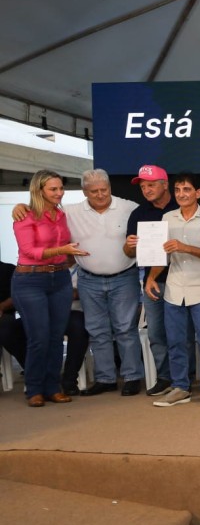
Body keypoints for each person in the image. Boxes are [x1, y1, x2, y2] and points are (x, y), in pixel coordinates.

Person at [64, 169, 145, 396]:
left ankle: (132, 377)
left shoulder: (129, 208)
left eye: (104, 189)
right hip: (88, 280)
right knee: (97, 330)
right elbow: (43, 212)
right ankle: (105, 379)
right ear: (84, 192)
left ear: (110, 187)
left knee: (125, 329)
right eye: (94, 191)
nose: (100, 195)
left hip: (124, 277)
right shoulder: (70, 212)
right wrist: (21, 207)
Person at [11, 170, 86, 406]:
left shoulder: (61, 215)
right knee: (39, 338)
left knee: (55, 337)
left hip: (60, 279)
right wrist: (63, 250)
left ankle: (53, 387)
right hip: (30, 280)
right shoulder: (25, 215)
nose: (59, 193)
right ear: (39, 190)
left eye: (61, 188)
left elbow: (66, 246)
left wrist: (70, 253)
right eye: (53, 189)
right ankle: (34, 389)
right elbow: (29, 251)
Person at [145, 173, 200, 409]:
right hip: (174, 288)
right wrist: (151, 277)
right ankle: (180, 388)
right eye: (177, 190)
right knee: (176, 342)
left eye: (186, 189)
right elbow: (162, 254)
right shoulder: (167, 218)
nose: (181, 194)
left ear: (198, 193)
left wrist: (185, 247)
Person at [123, 165, 178, 396]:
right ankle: (165, 377)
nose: (146, 189)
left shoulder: (181, 207)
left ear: (165, 185)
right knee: (156, 333)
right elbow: (129, 252)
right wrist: (129, 245)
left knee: (183, 332)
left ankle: (183, 378)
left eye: (151, 184)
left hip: (181, 279)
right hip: (152, 282)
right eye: (143, 186)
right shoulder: (139, 214)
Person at [0, 261, 89, 397]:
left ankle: (69, 379)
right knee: (8, 329)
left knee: (79, 326)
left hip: (71, 312)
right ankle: (37, 372)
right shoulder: (36, 269)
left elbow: (96, 292)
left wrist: (77, 292)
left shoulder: (86, 268)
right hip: (38, 312)